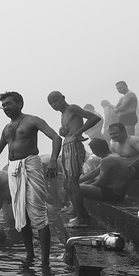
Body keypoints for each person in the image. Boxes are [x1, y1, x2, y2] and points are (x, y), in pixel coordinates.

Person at [0, 92, 61, 266]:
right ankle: (30, 255)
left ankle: (45, 260)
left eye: (9, 104)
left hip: (31, 165)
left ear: (20, 103)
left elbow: (56, 137)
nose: (5, 108)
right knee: (20, 215)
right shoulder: (7, 128)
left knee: (38, 213)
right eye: (3, 105)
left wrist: (54, 160)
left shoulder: (32, 120)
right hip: (13, 168)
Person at [47, 91, 101, 227]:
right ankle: (82, 214)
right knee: (67, 184)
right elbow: (68, 127)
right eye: (51, 103)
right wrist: (62, 131)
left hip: (74, 146)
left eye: (55, 101)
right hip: (66, 146)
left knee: (73, 183)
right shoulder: (63, 114)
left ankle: (82, 218)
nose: (54, 105)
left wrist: (78, 132)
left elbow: (94, 118)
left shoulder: (72, 108)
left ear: (63, 98)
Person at [78, 138, 130, 202]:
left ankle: (76, 210)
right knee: (78, 184)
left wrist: (85, 186)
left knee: (76, 188)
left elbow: (101, 183)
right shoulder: (113, 155)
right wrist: (77, 181)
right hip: (117, 192)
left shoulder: (107, 160)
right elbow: (95, 172)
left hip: (114, 194)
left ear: (94, 151)